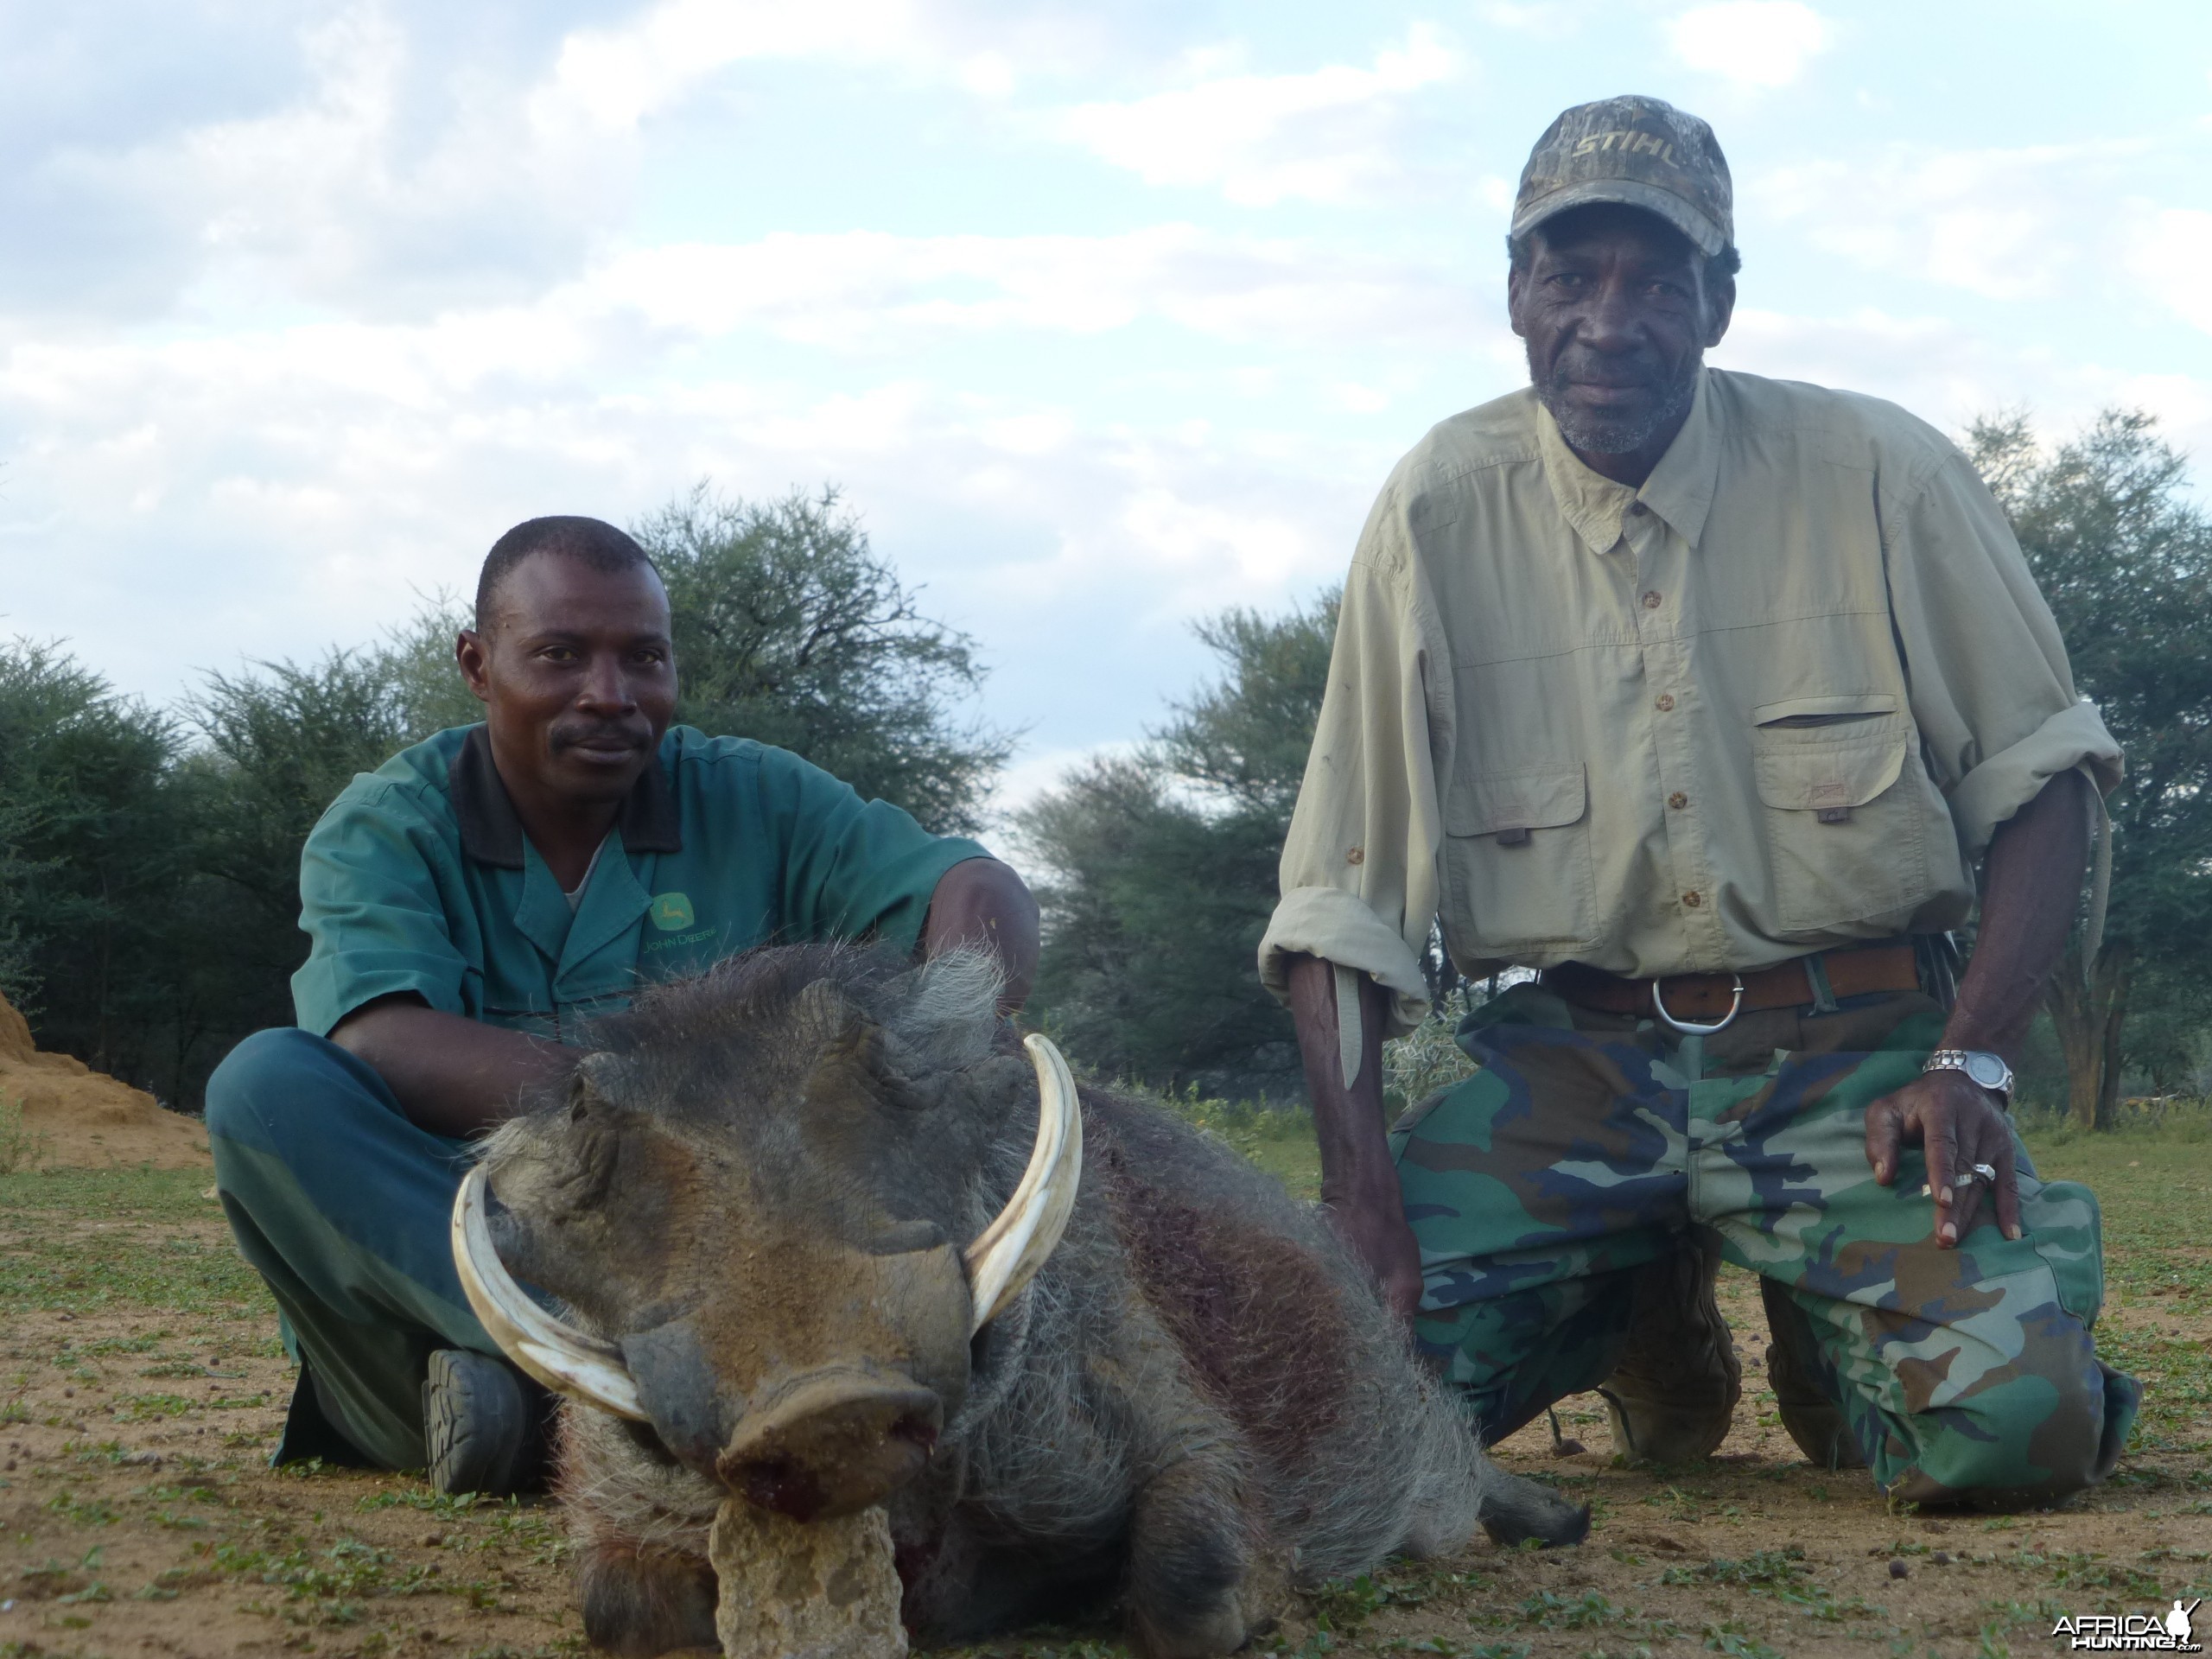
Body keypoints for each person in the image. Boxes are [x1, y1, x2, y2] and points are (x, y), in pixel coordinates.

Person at [1258, 95, 2138, 1506]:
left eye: (1655, 279)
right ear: (1513, 294)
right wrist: (1360, 1197)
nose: (1609, 321)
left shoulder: (1881, 471)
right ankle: (1636, 1304)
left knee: (2011, 1435)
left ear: (1719, 303)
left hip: (1852, 1052)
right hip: (1571, 1065)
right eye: (1569, 275)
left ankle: (1837, 1316)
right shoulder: (1436, 505)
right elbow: (1336, 908)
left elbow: (2048, 783)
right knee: (1330, 1410)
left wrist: (1966, 1061)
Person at [205, 515, 1039, 1495]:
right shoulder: (388, 823)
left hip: (725, 1243)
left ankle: (535, 1418)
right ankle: (592, 1379)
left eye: (643, 658)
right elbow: (382, 1037)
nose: (610, 696)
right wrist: (678, 1114)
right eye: (558, 655)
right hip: (478, 1245)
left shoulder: (754, 796)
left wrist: (950, 1029)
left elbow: (972, 886)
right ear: (477, 664)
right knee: (265, 1085)